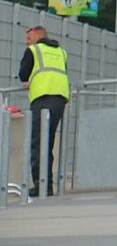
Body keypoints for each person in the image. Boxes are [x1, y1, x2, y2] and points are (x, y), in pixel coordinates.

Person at [18, 25, 70, 197]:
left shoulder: (34, 50)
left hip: (42, 97)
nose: (27, 42)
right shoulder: (61, 52)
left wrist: (27, 81)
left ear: (37, 37)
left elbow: (23, 74)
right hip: (60, 98)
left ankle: (41, 186)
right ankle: (46, 184)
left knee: (38, 143)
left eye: (28, 38)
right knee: (48, 142)